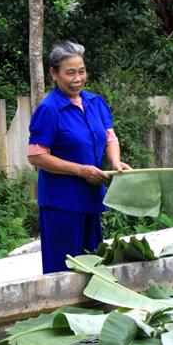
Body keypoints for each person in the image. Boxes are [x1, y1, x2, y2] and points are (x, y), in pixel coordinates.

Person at [27, 42, 130, 274]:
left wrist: (115, 162)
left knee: (93, 266)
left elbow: (110, 137)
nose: (77, 78)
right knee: (63, 271)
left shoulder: (95, 102)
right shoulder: (49, 109)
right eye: (70, 72)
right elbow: (36, 156)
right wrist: (80, 171)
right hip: (61, 204)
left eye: (81, 71)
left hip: (92, 199)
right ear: (54, 74)